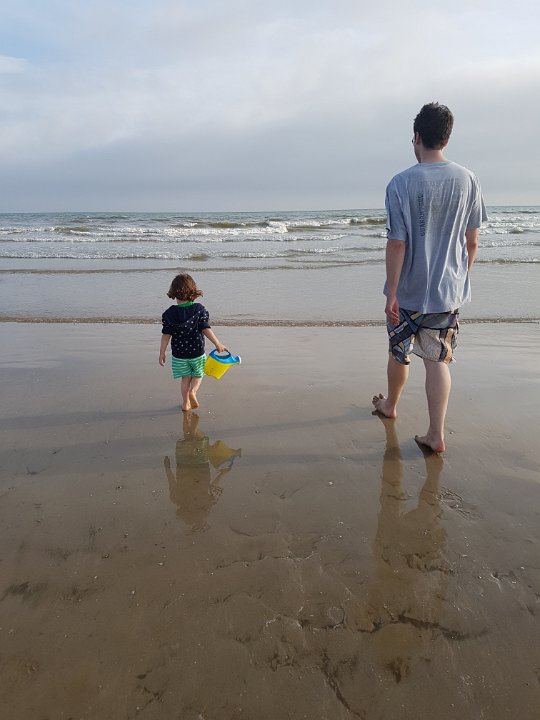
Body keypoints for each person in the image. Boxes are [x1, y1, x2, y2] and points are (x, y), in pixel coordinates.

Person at [372, 102, 487, 453]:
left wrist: (392, 292)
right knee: (438, 360)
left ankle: (391, 405)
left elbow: (397, 243)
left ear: (417, 137)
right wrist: (459, 277)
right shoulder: (467, 179)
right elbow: (472, 241)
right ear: (446, 139)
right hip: (446, 291)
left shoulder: (400, 182)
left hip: (408, 291)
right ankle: (436, 434)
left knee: (399, 350)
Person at [159, 273, 226, 411]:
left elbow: (166, 334)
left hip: (179, 355)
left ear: (173, 292)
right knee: (198, 375)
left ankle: (185, 403)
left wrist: (162, 352)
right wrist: (217, 343)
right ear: (192, 291)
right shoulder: (198, 310)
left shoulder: (169, 313)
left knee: (185, 378)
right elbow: (205, 329)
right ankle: (193, 392)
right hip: (197, 352)